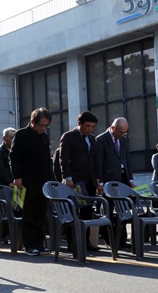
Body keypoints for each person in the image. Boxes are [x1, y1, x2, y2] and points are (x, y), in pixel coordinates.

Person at [10, 108, 55, 256]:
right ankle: (29, 245)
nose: (43, 128)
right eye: (41, 125)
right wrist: (17, 176)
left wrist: (50, 179)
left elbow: (47, 161)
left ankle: (40, 244)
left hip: (42, 180)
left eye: (45, 126)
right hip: (26, 180)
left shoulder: (44, 137)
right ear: (32, 122)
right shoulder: (21, 135)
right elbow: (14, 157)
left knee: (41, 213)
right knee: (28, 213)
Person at [60, 110, 102, 253]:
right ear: (79, 124)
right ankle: (73, 242)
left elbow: (95, 160)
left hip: (89, 181)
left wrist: (98, 180)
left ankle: (86, 240)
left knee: (87, 212)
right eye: (87, 126)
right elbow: (63, 158)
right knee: (74, 212)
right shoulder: (69, 137)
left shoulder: (92, 139)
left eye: (92, 127)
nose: (89, 129)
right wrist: (68, 178)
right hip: (75, 181)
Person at [96, 117, 134, 249]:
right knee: (108, 210)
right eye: (120, 132)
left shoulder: (123, 141)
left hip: (122, 179)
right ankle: (109, 240)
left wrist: (130, 179)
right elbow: (98, 163)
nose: (122, 135)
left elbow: (127, 160)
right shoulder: (101, 140)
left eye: (124, 132)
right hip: (108, 180)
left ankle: (122, 239)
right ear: (112, 128)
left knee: (122, 209)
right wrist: (99, 182)